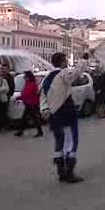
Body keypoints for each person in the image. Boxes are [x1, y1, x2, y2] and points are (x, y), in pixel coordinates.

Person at [40, 52, 87, 184]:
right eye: (65, 60)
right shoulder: (63, 73)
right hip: (66, 113)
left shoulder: (47, 77)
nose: (67, 63)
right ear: (62, 62)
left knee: (59, 143)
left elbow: (42, 95)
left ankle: (61, 172)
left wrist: (44, 109)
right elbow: (75, 74)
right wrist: (84, 60)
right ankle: (69, 172)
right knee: (71, 142)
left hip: (54, 115)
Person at [15, 71, 43, 138]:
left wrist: (21, 97)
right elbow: (25, 93)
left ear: (28, 77)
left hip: (32, 103)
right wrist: (20, 97)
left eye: (25, 76)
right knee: (26, 118)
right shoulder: (27, 83)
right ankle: (21, 131)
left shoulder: (33, 84)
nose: (24, 78)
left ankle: (39, 132)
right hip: (28, 103)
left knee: (33, 118)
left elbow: (29, 94)